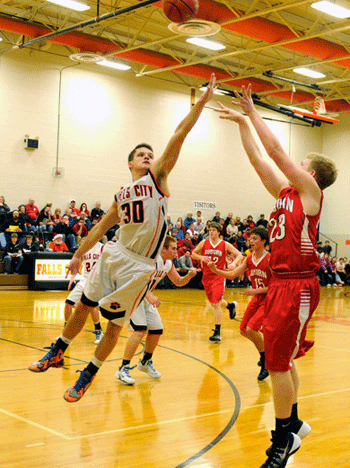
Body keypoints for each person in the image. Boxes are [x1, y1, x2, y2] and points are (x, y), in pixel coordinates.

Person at [28, 74, 217, 403]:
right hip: (114, 255)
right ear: (129, 162)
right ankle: (58, 351)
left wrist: (199, 104)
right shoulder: (122, 194)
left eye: (150, 154)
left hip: (139, 265)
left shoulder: (158, 179)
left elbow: (180, 134)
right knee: (84, 306)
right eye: (141, 154)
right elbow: (100, 229)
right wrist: (77, 256)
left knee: (115, 324)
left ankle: (89, 373)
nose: (147, 156)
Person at [215, 84, 337, 468]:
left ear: (311, 172)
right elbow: (259, 160)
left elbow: (276, 153)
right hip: (281, 285)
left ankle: (283, 440)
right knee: (281, 360)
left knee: (277, 364)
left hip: (298, 284)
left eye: (301, 162)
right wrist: (241, 124)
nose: (292, 164)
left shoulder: (311, 191)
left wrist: (253, 111)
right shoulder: (286, 193)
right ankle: (295, 423)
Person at [115, 235, 197, 384]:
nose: (175, 251)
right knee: (139, 330)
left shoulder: (168, 263)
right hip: (133, 294)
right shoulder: (151, 259)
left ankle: (145, 362)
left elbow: (178, 282)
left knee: (157, 329)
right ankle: (122, 369)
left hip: (146, 296)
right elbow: (136, 280)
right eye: (172, 248)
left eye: (176, 248)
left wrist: (189, 276)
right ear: (163, 249)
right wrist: (149, 296)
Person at [207, 227, 271, 380]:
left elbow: (277, 286)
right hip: (257, 299)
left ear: (263, 241)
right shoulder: (249, 259)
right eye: (250, 238)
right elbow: (232, 275)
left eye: (255, 238)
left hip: (269, 300)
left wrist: (255, 291)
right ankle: (265, 356)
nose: (251, 241)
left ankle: (265, 361)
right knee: (243, 329)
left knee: (252, 328)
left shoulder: (270, 259)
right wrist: (216, 270)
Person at [192, 221, 243, 341]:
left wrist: (234, 264)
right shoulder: (204, 242)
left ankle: (217, 332)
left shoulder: (224, 244)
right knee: (215, 302)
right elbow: (193, 253)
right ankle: (230, 306)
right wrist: (201, 257)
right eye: (210, 230)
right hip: (207, 277)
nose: (211, 232)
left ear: (219, 232)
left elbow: (239, 255)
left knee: (216, 303)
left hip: (219, 276)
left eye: (213, 230)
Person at [62, 238, 104, 344]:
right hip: (85, 279)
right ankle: (66, 333)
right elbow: (79, 262)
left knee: (92, 307)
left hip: (96, 280)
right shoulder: (85, 248)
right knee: (68, 303)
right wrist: (73, 277)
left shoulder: (102, 247)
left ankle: (99, 330)